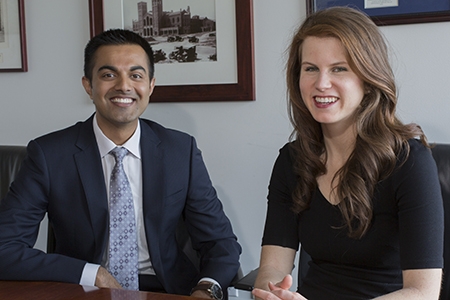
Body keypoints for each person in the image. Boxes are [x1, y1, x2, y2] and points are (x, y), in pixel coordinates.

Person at [0, 29, 241, 299]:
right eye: (108, 75)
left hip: (165, 289)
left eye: (136, 75)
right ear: (88, 85)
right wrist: (92, 273)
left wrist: (206, 289)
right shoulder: (49, 154)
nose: (124, 86)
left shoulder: (179, 151)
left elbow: (220, 244)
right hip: (83, 289)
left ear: (150, 85)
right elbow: (5, 248)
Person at [252, 6, 443, 300]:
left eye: (339, 68)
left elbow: (423, 292)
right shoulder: (292, 161)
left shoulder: (409, 161)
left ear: (368, 79)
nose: (321, 83)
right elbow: (273, 268)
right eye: (310, 68)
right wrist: (274, 293)